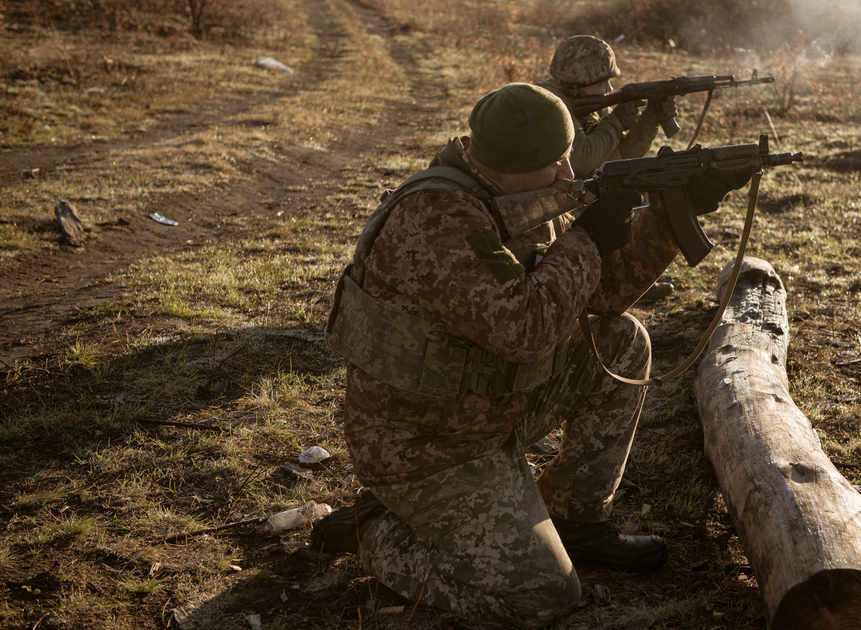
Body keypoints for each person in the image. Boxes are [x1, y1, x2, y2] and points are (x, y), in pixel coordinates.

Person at [313, 83, 743, 628]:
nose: (568, 173)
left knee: (620, 340)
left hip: (489, 407)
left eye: (567, 156)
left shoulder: (516, 195)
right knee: (542, 596)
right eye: (555, 162)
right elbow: (524, 330)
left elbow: (600, 295)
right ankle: (379, 530)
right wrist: (588, 237)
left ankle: (577, 519)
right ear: (507, 167)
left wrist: (668, 216)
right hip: (427, 447)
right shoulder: (436, 218)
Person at [538, 34, 680, 301]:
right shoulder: (551, 105)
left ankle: (626, 277)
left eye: (610, 81)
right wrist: (616, 122)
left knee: (630, 193)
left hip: (577, 196)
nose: (608, 90)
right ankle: (607, 282)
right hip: (550, 205)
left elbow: (616, 160)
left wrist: (650, 121)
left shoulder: (588, 104)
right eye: (601, 82)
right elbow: (584, 159)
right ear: (576, 81)